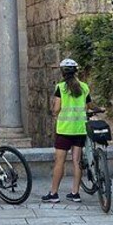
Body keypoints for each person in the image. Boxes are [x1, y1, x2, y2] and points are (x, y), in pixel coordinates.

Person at [42, 58, 92, 203]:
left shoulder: (61, 87)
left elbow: (57, 108)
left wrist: (54, 112)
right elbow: (89, 105)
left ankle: (54, 194)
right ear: (76, 71)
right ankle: (75, 193)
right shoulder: (84, 87)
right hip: (80, 129)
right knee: (77, 162)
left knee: (59, 162)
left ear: (62, 72)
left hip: (64, 130)